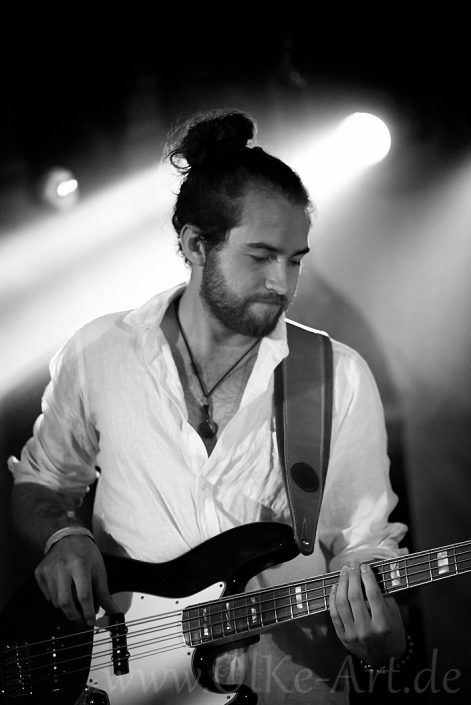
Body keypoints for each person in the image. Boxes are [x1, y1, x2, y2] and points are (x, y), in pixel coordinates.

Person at [8, 108, 409, 704]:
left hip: (285, 684)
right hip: (123, 683)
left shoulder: (337, 374)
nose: (282, 283)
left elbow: (362, 542)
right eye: (261, 256)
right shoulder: (100, 350)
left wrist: (379, 634)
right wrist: (62, 536)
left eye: (295, 259)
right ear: (196, 244)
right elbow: (43, 483)